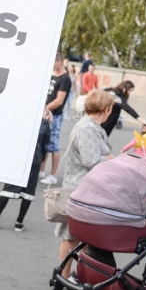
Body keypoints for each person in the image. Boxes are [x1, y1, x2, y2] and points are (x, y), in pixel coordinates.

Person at [53, 90, 115, 279]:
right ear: (107, 109)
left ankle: (74, 276)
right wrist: (114, 160)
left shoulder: (89, 125)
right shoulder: (88, 128)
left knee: (82, 238)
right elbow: (91, 160)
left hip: (84, 189)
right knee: (72, 237)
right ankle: (63, 278)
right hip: (81, 190)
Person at [0, 113, 51, 231]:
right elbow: (46, 145)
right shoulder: (45, 123)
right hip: (35, 159)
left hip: (19, 157)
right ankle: (19, 222)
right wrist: (42, 159)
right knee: (28, 191)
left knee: (8, 187)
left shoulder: (22, 119)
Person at [40, 54, 72, 185]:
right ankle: (41, 170)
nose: (52, 65)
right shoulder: (53, 75)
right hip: (46, 113)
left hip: (55, 115)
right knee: (44, 143)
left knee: (53, 145)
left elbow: (59, 100)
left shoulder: (65, 79)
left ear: (60, 62)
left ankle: (53, 175)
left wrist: (46, 108)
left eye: (54, 62)